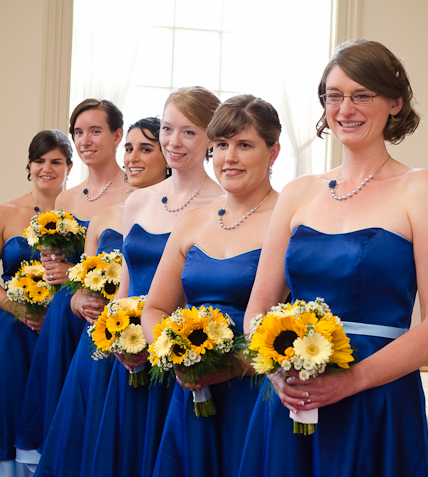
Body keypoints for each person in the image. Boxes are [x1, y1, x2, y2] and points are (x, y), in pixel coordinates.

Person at [238, 39, 428, 477]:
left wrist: (351, 380)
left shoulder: (422, 189)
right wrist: (276, 371)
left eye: (362, 95)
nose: (345, 109)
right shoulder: (299, 191)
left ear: (395, 103)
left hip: (375, 399)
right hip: (291, 396)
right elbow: (258, 309)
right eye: (334, 96)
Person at [89, 86, 225, 477]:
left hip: (183, 356)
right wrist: (115, 335)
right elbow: (126, 286)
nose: (173, 141)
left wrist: (169, 346)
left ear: (211, 139)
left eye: (188, 132)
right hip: (130, 354)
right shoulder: (138, 201)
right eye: (167, 129)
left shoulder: (219, 205)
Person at [142, 94, 281, 477]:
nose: (229, 157)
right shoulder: (192, 222)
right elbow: (154, 309)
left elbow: (296, 326)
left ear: (273, 152)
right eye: (221, 145)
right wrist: (177, 355)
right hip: (192, 390)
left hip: (256, 395)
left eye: (244, 145)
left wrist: (233, 366)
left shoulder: (289, 221)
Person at [33, 118, 170, 477]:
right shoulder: (105, 217)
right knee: (88, 432)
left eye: (146, 148)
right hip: (100, 339)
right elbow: (79, 280)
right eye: (129, 148)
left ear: (168, 156)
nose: (133, 158)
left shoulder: (183, 216)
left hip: (150, 334)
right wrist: (80, 299)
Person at [14, 99, 132, 470]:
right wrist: (54, 267)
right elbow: (59, 257)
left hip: (109, 311)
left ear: (117, 136)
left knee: (94, 405)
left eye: (95, 131)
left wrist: (79, 275)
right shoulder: (65, 197)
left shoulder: (137, 193)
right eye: (78, 132)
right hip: (65, 311)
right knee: (60, 398)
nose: (85, 140)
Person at [0, 130, 73, 477]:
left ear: (70, 166)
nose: (47, 168)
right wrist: (19, 308)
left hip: (63, 328)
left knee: (55, 407)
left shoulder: (81, 213)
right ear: (28, 164)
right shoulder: (3, 213)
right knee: (6, 405)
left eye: (56, 161)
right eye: (40, 160)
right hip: (15, 330)